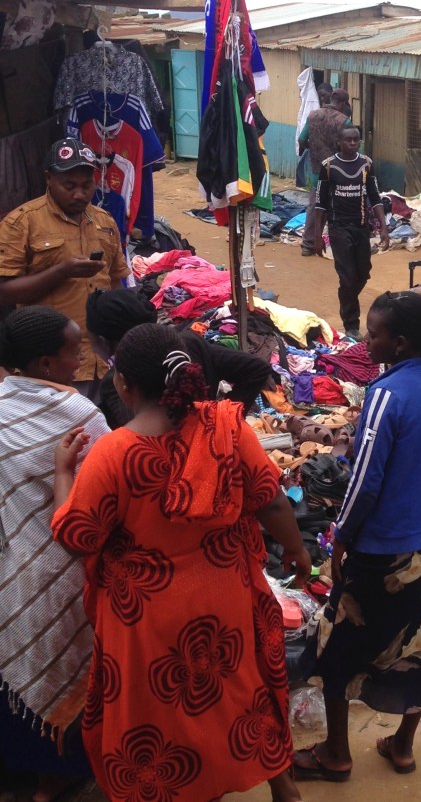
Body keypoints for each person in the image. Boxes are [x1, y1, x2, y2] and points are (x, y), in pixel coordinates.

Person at [51, 323, 310, 802]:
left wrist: (64, 474)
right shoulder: (225, 427)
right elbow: (269, 500)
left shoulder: (114, 452)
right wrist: (296, 550)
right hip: (224, 595)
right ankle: (282, 784)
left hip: (146, 616)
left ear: (123, 385)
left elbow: (78, 534)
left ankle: (189, 787)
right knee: (239, 690)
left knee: (162, 710)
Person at [294, 291, 421, 782]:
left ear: (400, 342)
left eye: (375, 334)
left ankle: (336, 754)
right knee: (420, 641)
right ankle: (403, 747)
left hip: (383, 546)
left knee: (337, 644)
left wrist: (341, 537)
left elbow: (365, 478)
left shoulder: (386, 395)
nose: (367, 341)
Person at [0, 307, 107, 802]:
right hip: (67, 569)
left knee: (22, 663)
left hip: (13, 567)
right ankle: (52, 780)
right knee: (68, 668)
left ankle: (30, 774)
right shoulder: (80, 413)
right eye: (72, 349)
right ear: (45, 363)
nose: (81, 355)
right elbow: (110, 487)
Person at [0, 138, 129, 397]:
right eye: (69, 186)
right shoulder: (21, 223)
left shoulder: (104, 221)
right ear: (49, 179)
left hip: (104, 363)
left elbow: (116, 281)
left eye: (86, 185)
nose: (79, 194)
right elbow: (4, 292)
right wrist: (61, 271)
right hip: (51, 366)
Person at [85, 288, 275, 428]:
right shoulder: (188, 342)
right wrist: (221, 421)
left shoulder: (117, 381)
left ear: (103, 342)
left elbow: (135, 431)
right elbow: (256, 369)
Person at [313, 126, 390, 339]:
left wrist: (384, 227)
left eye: (356, 140)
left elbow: (375, 197)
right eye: (348, 140)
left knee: (363, 273)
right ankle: (351, 324)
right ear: (339, 142)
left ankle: (345, 298)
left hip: (361, 227)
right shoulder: (328, 166)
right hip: (338, 228)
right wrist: (317, 235)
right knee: (347, 277)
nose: (353, 143)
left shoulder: (367, 164)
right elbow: (320, 203)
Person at [299, 88, 354, 257]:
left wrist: (313, 148)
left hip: (317, 169)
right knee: (336, 208)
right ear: (344, 103)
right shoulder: (344, 121)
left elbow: (301, 140)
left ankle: (308, 244)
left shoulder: (313, 115)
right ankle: (336, 245)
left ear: (331, 98)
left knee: (314, 206)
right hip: (338, 171)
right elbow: (349, 147)